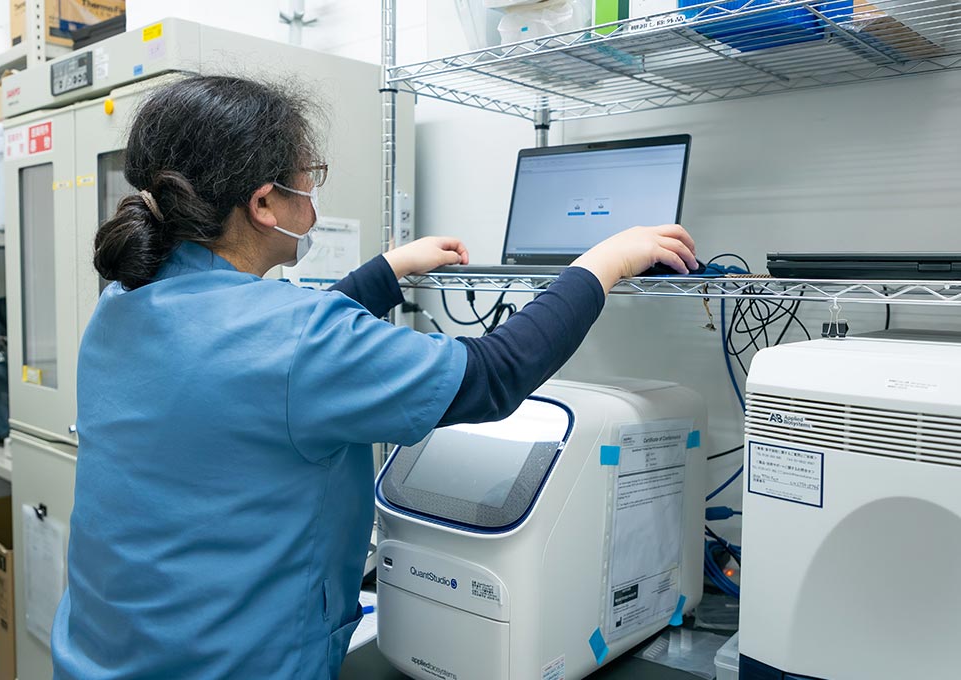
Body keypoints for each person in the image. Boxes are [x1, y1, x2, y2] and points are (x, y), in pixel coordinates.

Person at [50, 75, 698, 680]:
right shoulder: (294, 341)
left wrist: (389, 270)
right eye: (309, 176)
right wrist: (604, 262)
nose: (313, 191)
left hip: (102, 655)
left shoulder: (124, 301)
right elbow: (492, 375)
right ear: (265, 202)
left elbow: (267, 353)